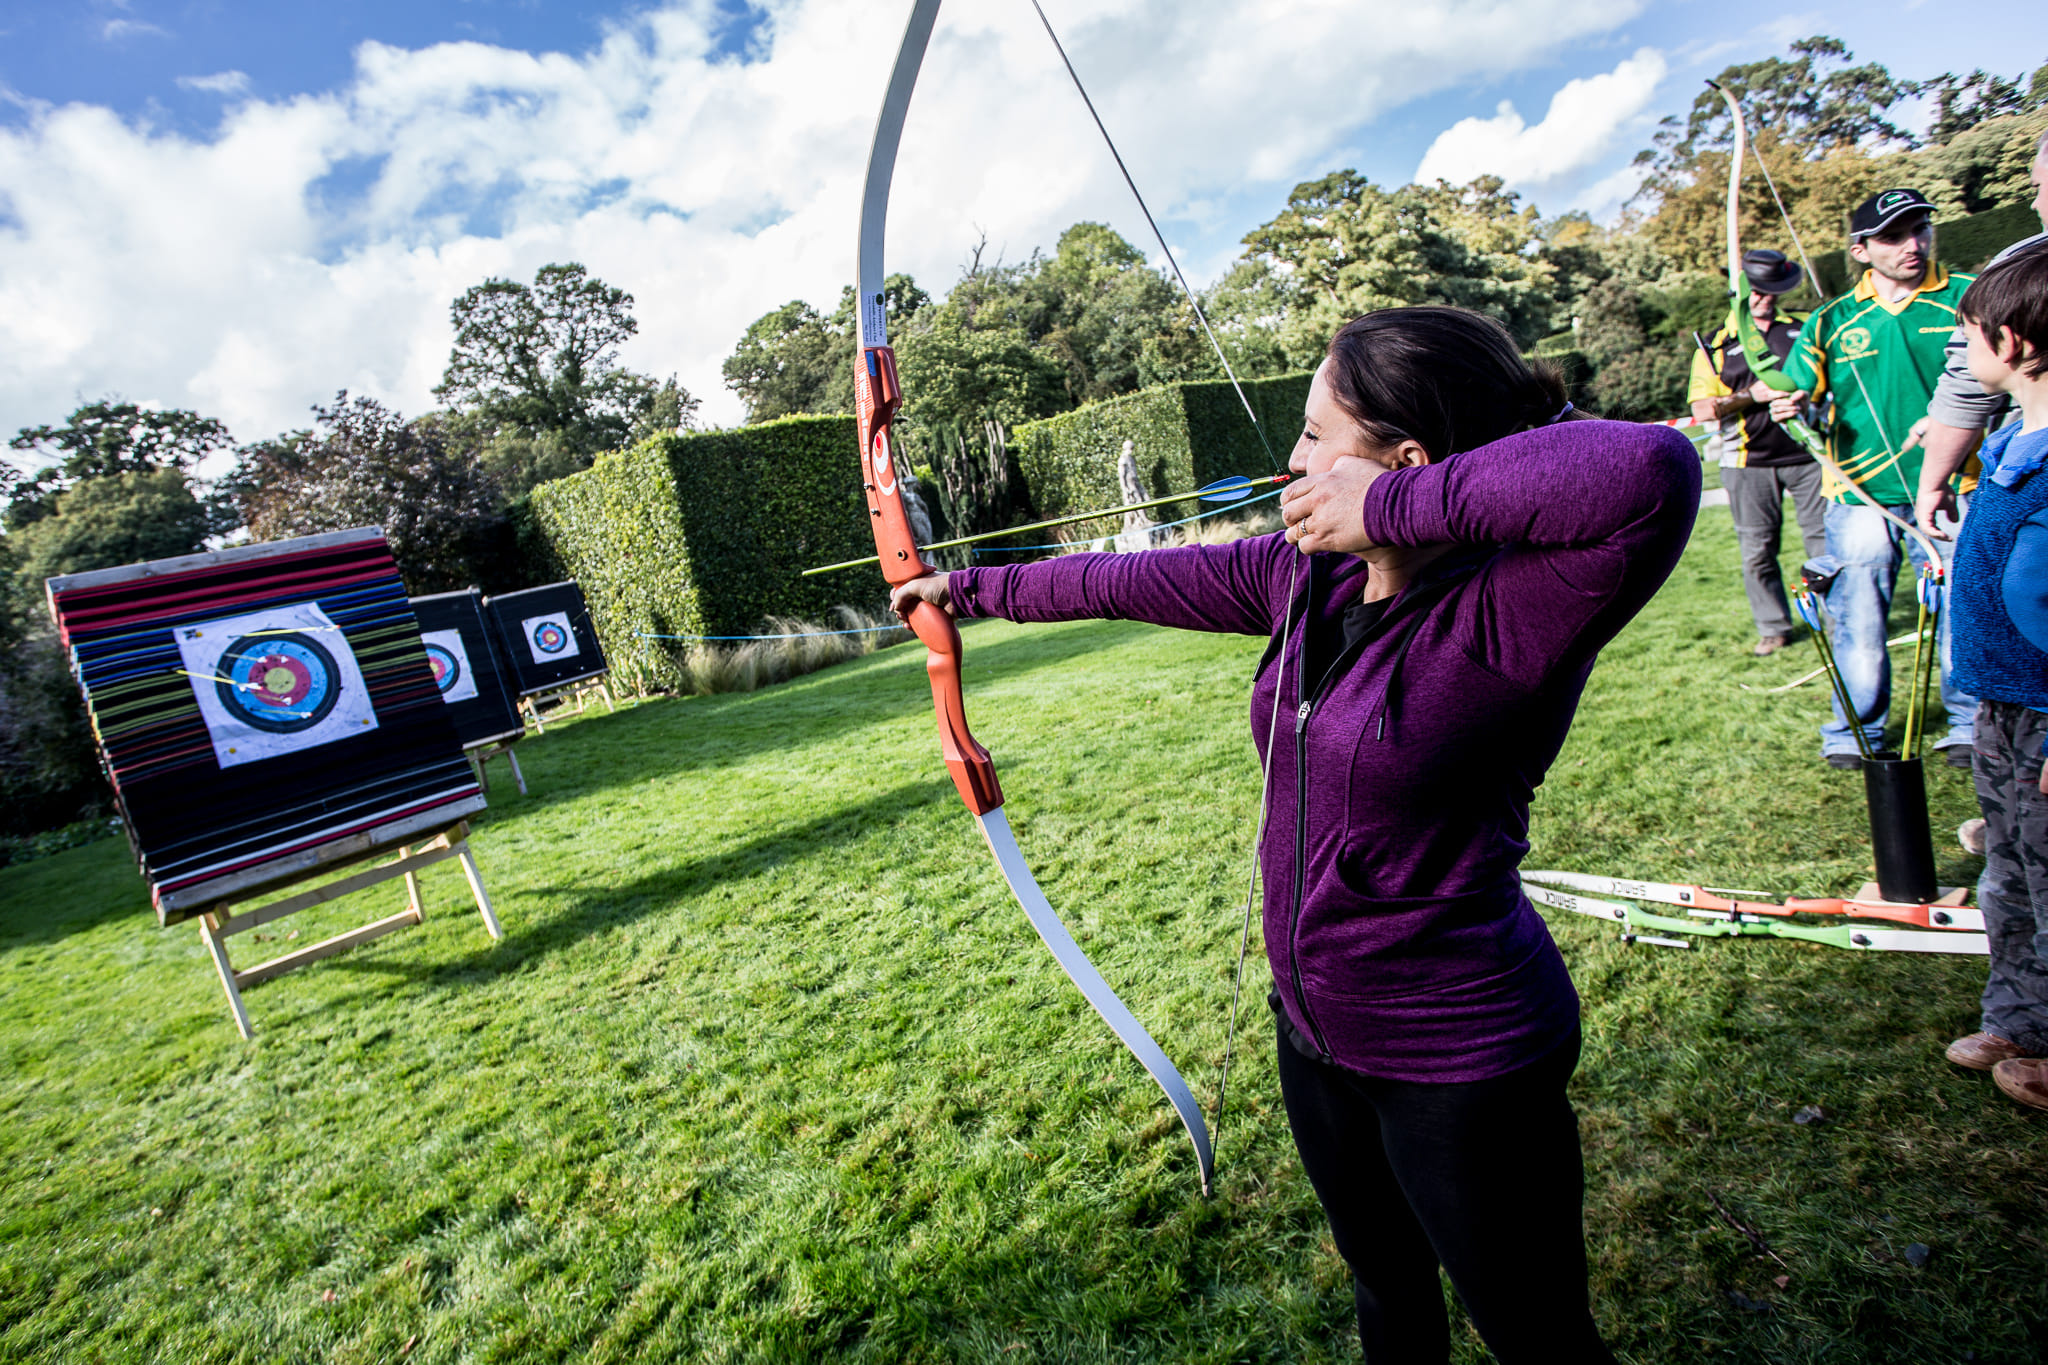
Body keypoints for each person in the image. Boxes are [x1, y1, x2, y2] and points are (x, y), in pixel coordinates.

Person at [892, 306, 1700, 1363]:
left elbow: (1648, 466)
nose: (1291, 458)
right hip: (1317, 1034)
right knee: (1385, 1292)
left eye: (1317, 436)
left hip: (1459, 1054)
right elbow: (1121, 580)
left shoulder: (1516, 608)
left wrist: (1395, 509)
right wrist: (965, 586)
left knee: (1535, 1335)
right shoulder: (1301, 580)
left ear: (1401, 463)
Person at [1773, 188, 1979, 769]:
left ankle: (1968, 722)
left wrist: (1953, 414)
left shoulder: (1968, 298)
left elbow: (2006, 377)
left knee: (1962, 610)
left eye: (1920, 229)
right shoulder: (1831, 321)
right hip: (1862, 493)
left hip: (1956, 485)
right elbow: (1799, 396)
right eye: (1894, 236)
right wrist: (1793, 408)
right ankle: (1854, 732)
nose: (1913, 245)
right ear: (1862, 250)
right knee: (1859, 617)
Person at [1930, 244, 2048, 1110]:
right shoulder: (2012, 438)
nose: (1960, 344)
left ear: (2009, 342)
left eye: (1966, 331)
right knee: (2008, 870)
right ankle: (2020, 1018)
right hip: (2004, 706)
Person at [1910, 128, 2048, 544]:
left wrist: (1933, 479)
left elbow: (1966, 386)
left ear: (2006, 342)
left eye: (2039, 187)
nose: (2035, 202)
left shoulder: (2021, 267)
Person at [1688, 248, 1826, 656]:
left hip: (1809, 456)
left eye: (1772, 290)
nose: (1765, 298)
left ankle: (1838, 619)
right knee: (1757, 550)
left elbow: (1830, 379)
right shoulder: (1714, 344)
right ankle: (1773, 626)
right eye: (1757, 290)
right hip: (1748, 462)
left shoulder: (1804, 327)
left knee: (1825, 547)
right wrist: (1752, 395)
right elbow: (1701, 410)